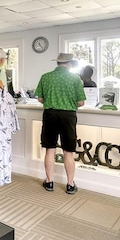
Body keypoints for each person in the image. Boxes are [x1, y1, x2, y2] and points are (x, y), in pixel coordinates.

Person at [35, 53, 86, 195]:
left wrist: (52, 102)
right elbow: (81, 102)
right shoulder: (76, 79)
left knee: (50, 149)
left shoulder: (46, 77)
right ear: (70, 63)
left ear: (58, 63)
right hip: (68, 116)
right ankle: (70, 184)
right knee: (68, 151)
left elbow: (39, 98)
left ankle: (49, 181)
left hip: (50, 114)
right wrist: (68, 103)